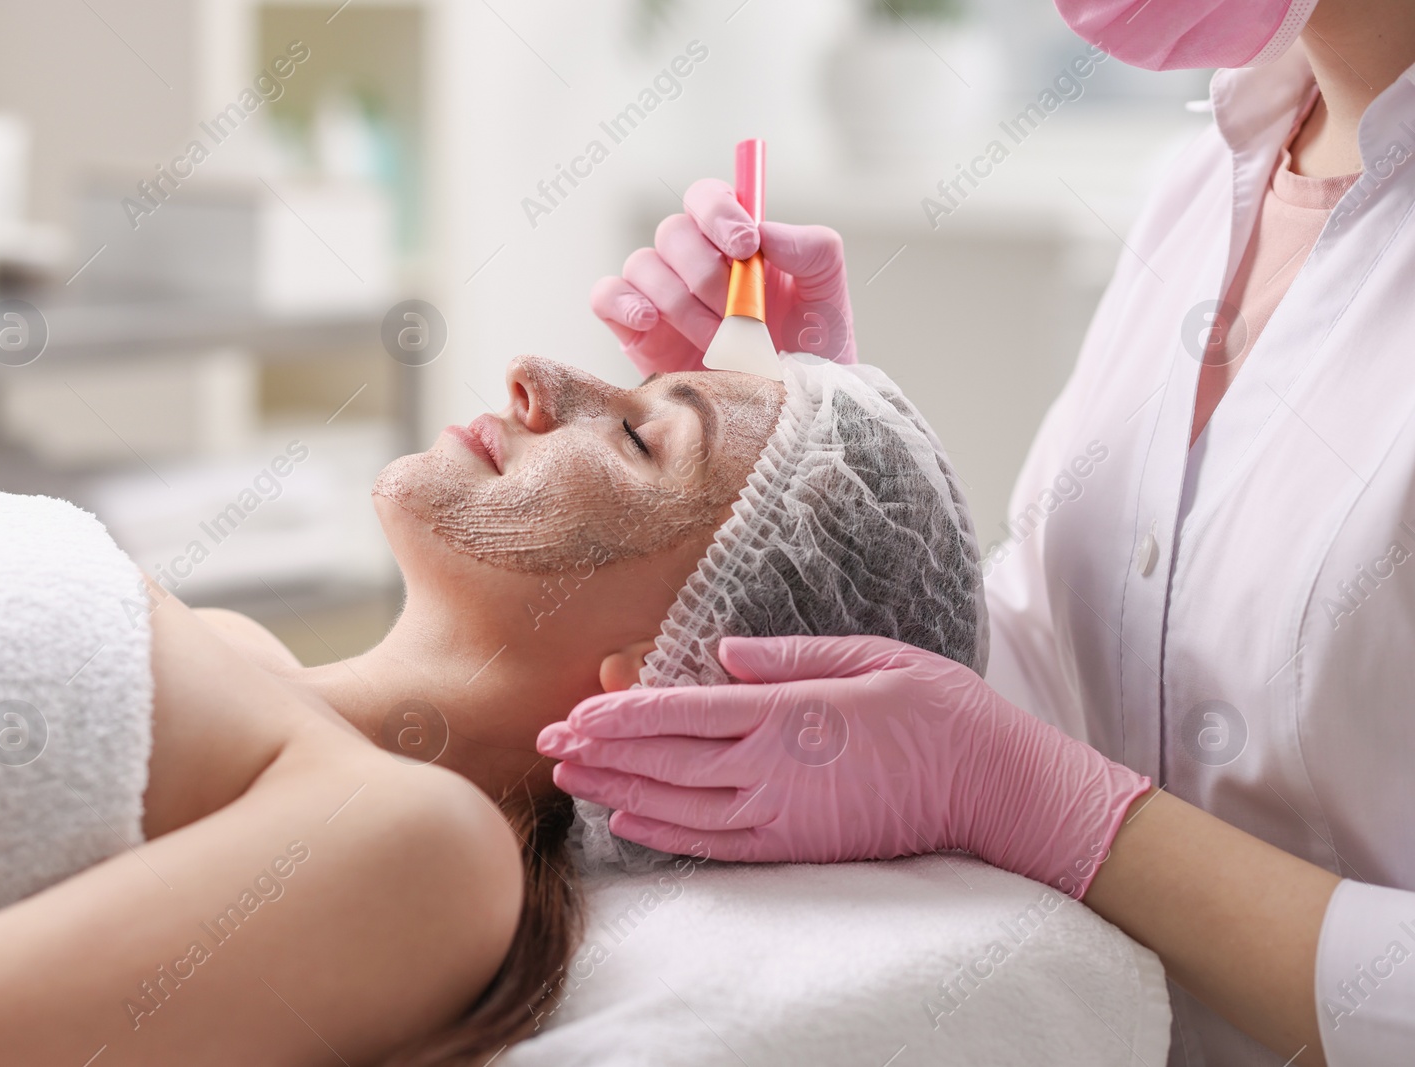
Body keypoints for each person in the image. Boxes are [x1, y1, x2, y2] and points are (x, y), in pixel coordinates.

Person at [542, 1, 1415, 1064]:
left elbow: (1014, 770)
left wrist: (1059, 812)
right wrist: (829, 481)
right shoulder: (1209, 179)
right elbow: (1059, 677)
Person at [0, 358, 780, 1066]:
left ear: (666, 672)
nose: (539, 376)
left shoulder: (428, 853)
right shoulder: (236, 648)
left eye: (641, 437)